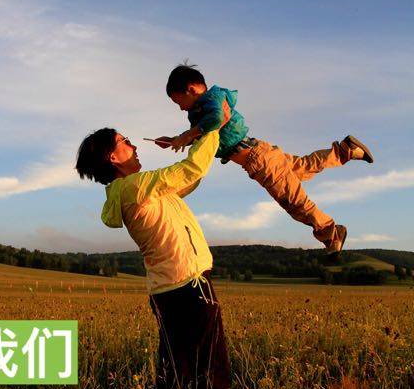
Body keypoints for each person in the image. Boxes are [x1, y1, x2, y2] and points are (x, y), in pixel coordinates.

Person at [75, 125, 231, 389]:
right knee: (212, 368)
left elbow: (189, 179)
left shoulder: (139, 189)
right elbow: (191, 169)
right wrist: (213, 127)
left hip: (169, 290)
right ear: (112, 157)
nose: (134, 146)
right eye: (125, 142)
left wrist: (193, 139)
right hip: (189, 285)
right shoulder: (136, 186)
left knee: (174, 372)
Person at [156, 63, 374, 255]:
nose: (181, 108)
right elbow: (205, 136)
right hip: (262, 152)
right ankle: (346, 150)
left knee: (294, 202)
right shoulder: (199, 111)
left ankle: (331, 232)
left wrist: (187, 135)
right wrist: (176, 140)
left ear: (191, 89)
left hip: (259, 160)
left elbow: (216, 119)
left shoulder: (212, 100)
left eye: (179, 102)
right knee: (305, 166)